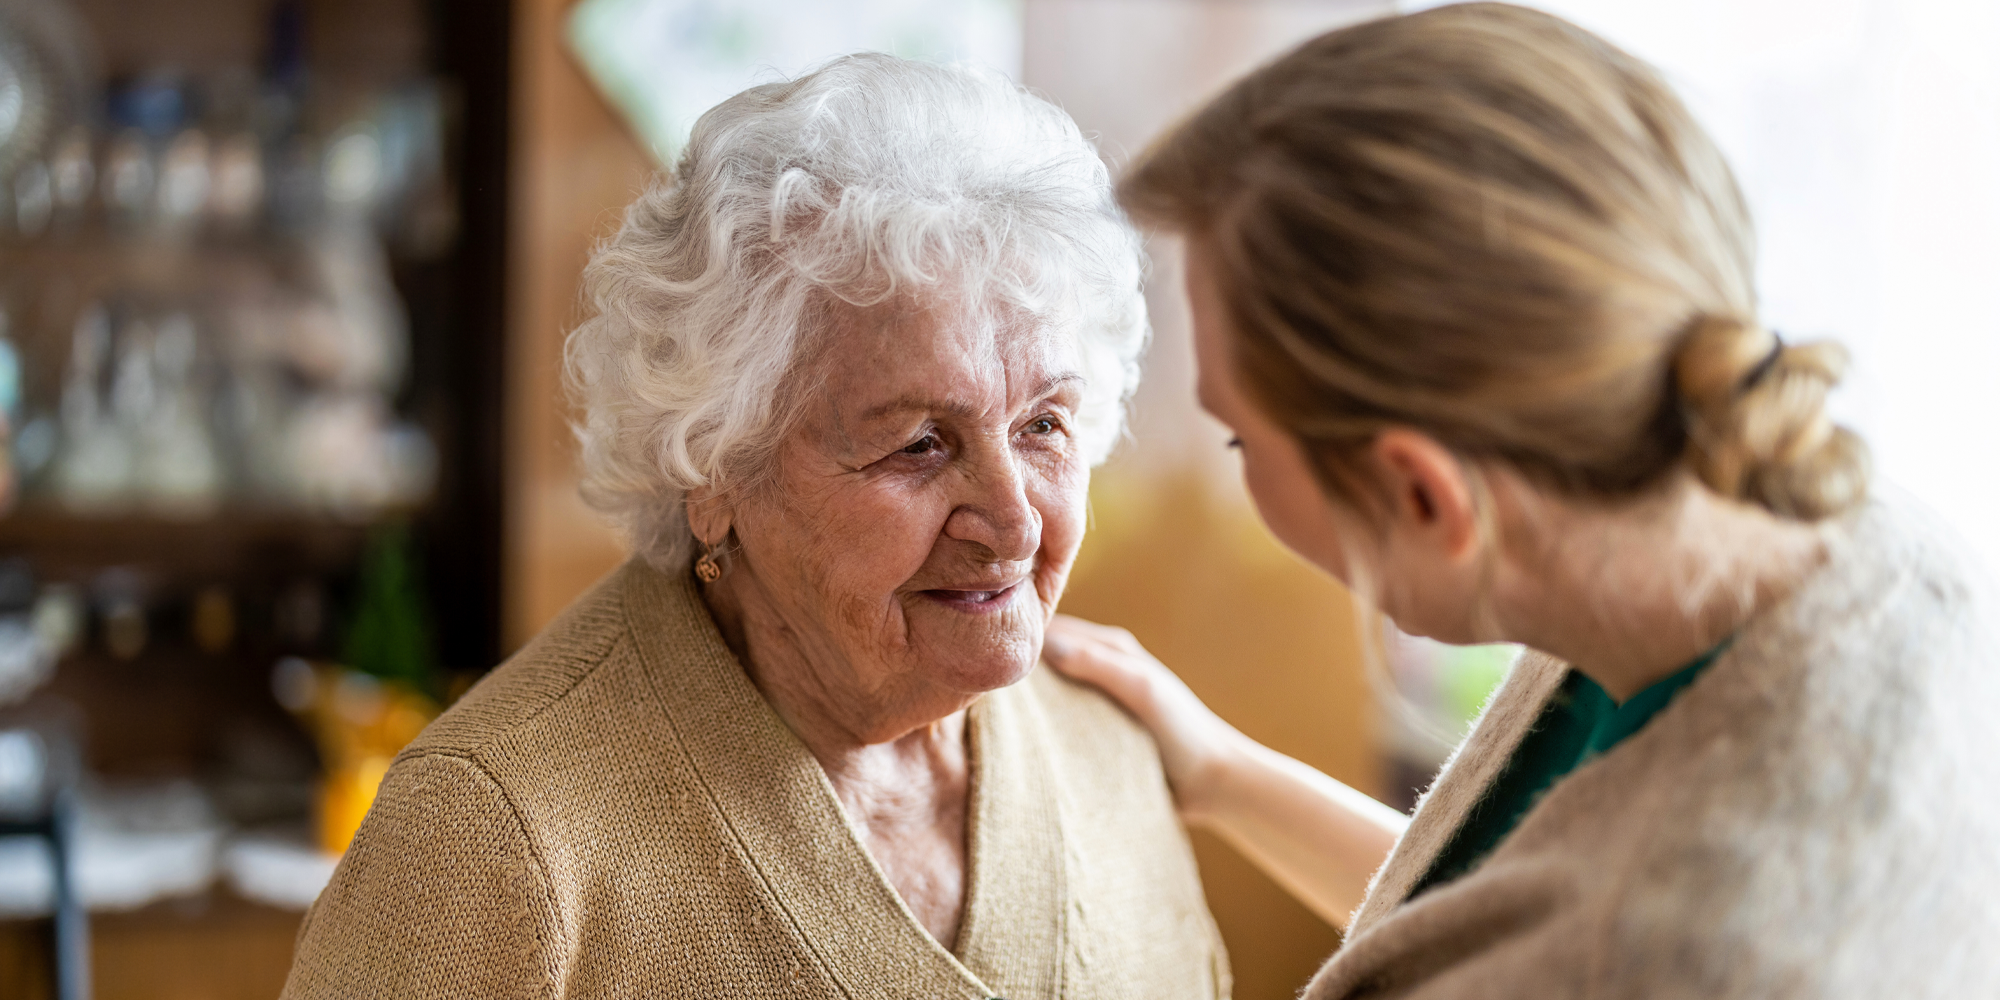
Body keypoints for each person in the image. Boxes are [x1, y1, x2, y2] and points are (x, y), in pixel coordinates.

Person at [1042, 5, 2000, 998]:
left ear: (1421, 492)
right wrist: (1222, 773)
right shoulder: (1848, 545)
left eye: (1239, 435)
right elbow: (1502, 908)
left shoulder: (1704, 952)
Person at [281, 54, 1230, 1000]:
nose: (1015, 524)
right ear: (713, 466)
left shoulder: (1111, 748)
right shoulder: (490, 842)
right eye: (918, 445)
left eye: (1044, 427)